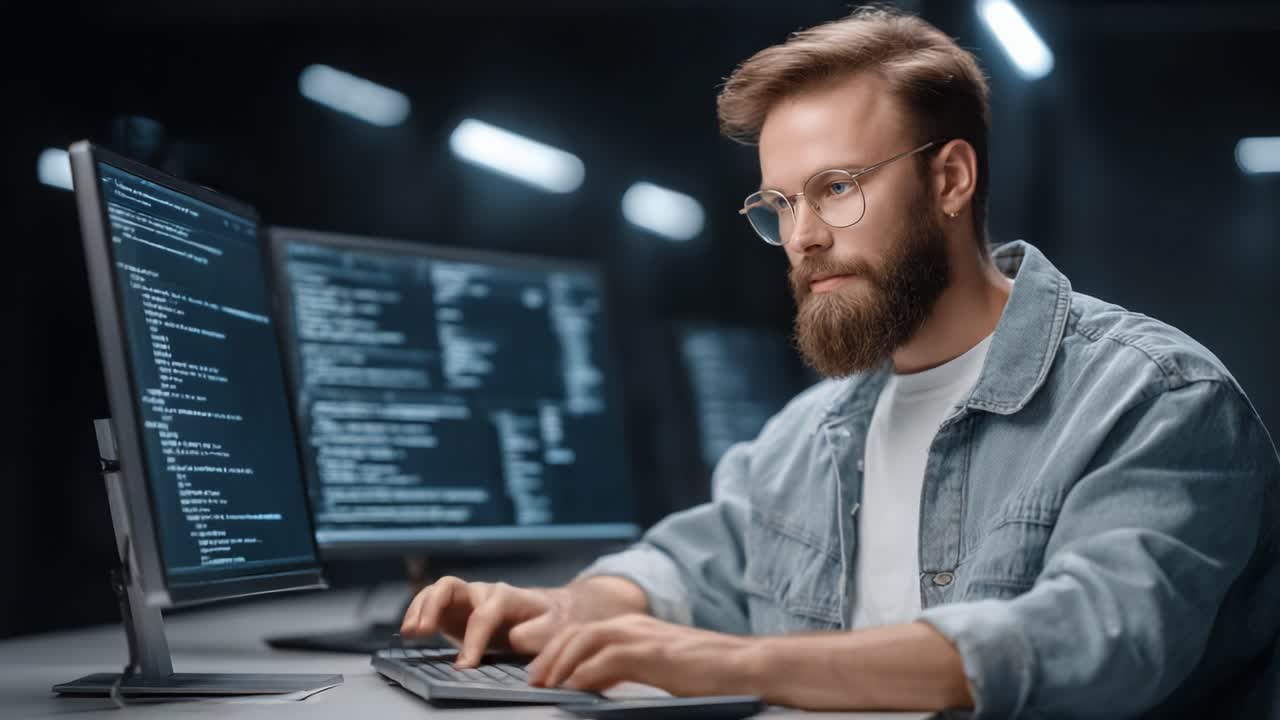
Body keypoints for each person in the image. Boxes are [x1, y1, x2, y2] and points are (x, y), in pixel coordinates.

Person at [400, 6, 1280, 716]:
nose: (802, 237)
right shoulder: (813, 429)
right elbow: (695, 565)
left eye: (837, 188)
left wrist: (732, 665)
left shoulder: (1155, 400)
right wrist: (570, 610)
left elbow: (1090, 645)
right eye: (779, 202)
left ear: (951, 180)